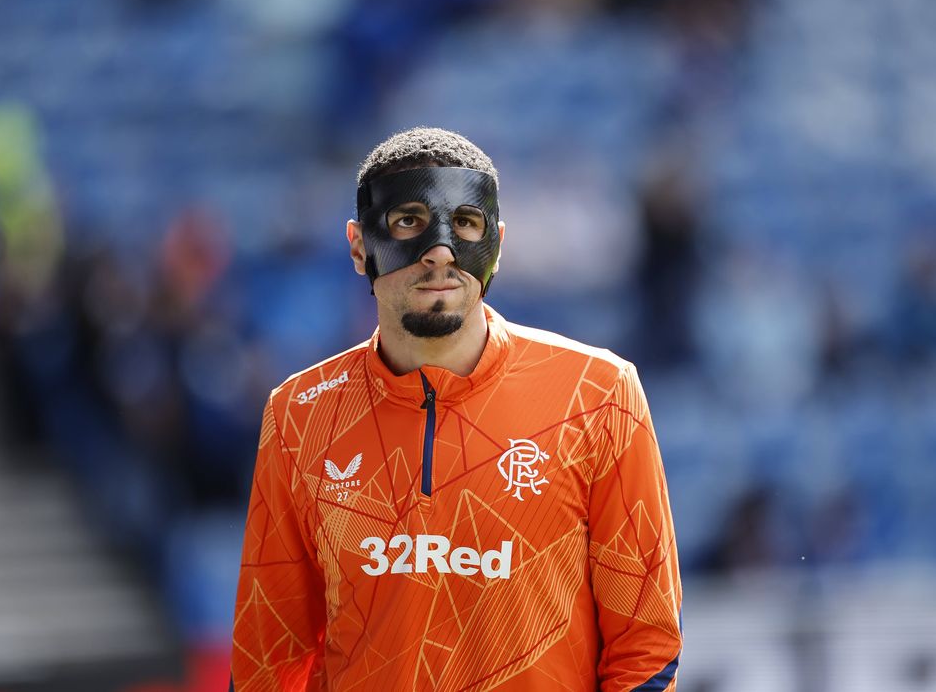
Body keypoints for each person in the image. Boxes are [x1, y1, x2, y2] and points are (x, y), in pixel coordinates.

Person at [230, 127, 682, 691]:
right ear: (358, 245)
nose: (439, 251)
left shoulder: (600, 394)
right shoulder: (298, 414)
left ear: (497, 242)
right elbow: (268, 663)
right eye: (408, 222)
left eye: (465, 223)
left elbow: (646, 648)